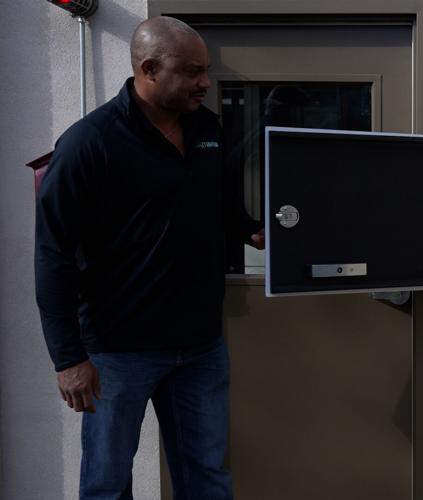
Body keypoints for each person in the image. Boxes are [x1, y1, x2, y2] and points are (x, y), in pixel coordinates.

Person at [35, 16, 262, 499]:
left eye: (206, 70)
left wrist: (251, 230)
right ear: (150, 68)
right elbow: (51, 254)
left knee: (206, 475)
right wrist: (68, 357)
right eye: (193, 72)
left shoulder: (206, 129)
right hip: (119, 351)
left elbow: (218, 204)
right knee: (107, 483)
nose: (205, 82)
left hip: (200, 346)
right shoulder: (88, 143)